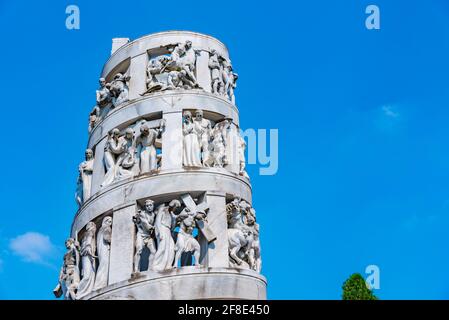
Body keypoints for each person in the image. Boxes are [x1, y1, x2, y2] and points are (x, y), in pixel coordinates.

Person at [133, 200, 157, 272]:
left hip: (149, 236)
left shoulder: (154, 214)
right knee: (139, 251)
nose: (149, 207)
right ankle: (136, 269)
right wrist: (153, 228)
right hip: (141, 235)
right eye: (147, 206)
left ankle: (150, 269)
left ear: (153, 205)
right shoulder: (142, 213)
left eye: (150, 205)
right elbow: (146, 224)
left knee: (153, 251)